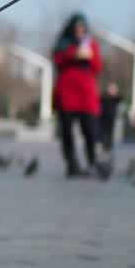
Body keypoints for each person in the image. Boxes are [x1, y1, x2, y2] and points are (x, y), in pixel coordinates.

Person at [52, 13, 103, 177]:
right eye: (77, 28)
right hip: (67, 95)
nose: (79, 31)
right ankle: (72, 165)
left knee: (90, 131)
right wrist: (73, 55)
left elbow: (97, 67)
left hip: (86, 96)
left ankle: (92, 163)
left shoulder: (91, 44)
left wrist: (90, 55)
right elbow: (58, 62)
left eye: (82, 28)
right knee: (67, 132)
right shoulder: (63, 44)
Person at [98, 82, 122, 152]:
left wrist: (115, 93)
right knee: (103, 132)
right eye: (111, 89)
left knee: (110, 132)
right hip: (103, 117)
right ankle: (103, 144)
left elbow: (120, 98)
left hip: (111, 118)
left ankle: (108, 145)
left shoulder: (116, 98)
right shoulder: (104, 97)